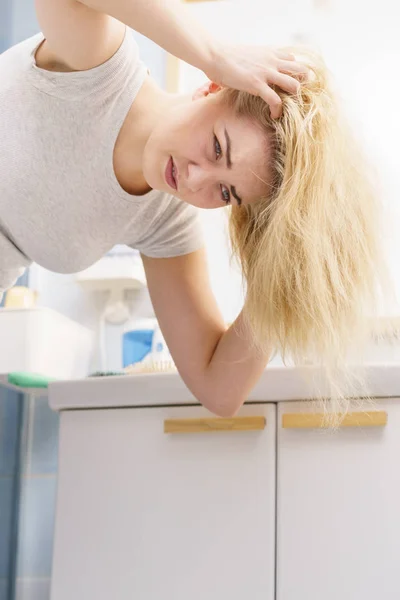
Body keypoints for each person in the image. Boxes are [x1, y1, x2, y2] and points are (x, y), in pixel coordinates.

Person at [0, 0, 388, 417]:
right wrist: (214, 54)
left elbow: (218, 389)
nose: (196, 180)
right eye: (217, 147)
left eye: (226, 193)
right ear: (212, 88)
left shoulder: (163, 220)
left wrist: (287, 260)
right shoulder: (101, 68)